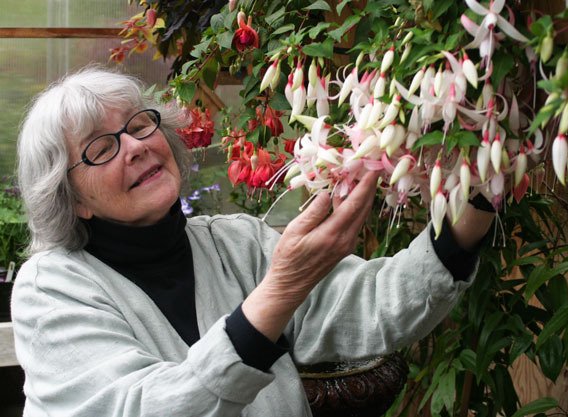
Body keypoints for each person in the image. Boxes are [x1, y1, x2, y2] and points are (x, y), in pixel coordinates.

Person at [11, 66, 495, 417]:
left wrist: (481, 192)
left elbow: (375, 305)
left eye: (139, 126)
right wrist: (281, 290)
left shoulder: (234, 242)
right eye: (102, 147)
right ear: (73, 199)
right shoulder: (49, 289)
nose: (136, 146)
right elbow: (142, 407)